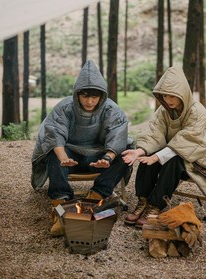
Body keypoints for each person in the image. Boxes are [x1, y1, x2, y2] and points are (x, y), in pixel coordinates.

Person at [122, 65, 206, 228]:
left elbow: (187, 140)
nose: (168, 100)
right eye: (164, 96)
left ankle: (155, 205)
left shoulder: (196, 111)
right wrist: (139, 151)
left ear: (182, 93)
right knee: (148, 156)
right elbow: (154, 133)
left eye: (172, 96)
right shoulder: (164, 111)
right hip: (176, 151)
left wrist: (156, 157)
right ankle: (143, 200)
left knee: (172, 160)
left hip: (200, 153)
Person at [31, 60, 131, 236]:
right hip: (70, 157)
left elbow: (117, 135)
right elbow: (54, 134)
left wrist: (107, 158)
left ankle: (97, 195)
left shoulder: (111, 109)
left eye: (95, 96)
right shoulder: (64, 107)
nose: (90, 101)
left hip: (98, 158)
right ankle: (61, 202)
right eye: (85, 96)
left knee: (126, 154)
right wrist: (62, 157)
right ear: (77, 94)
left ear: (102, 96)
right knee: (53, 153)